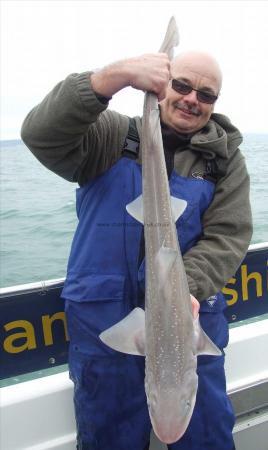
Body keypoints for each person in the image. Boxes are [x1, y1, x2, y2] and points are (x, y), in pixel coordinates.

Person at [21, 50, 252, 450]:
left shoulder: (224, 160)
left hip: (189, 320)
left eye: (206, 94)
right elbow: (41, 134)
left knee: (206, 436)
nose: (192, 98)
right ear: (162, 88)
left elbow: (228, 236)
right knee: (109, 438)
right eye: (181, 85)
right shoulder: (108, 136)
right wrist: (113, 78)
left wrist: (184, 290)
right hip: (104, 329)